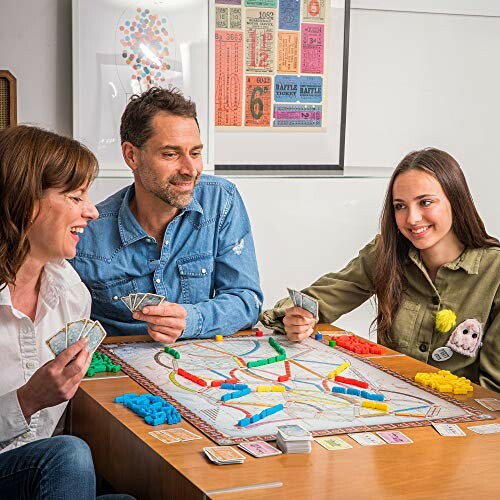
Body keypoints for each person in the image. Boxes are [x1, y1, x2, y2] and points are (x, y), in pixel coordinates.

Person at [260, 148, 499, 392]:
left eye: (425, 202)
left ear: (455, 201)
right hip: (390, 404)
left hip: (468, 420)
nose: (412, 219)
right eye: (400, 206)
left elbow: (492, 391)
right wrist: (295, 317)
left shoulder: (495, 272)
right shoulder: (386, 252)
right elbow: (323, 298)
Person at [70, 87, 262, 341]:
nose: (190, 169)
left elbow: (246, 299)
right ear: (132, 156)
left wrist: (190, 319)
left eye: (195, 153)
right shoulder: (87, 230)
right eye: (171, 154)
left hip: (199, 370)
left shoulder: (221, 200)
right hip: (117, 375)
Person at [0, 125, 121, 499]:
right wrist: (27, 400)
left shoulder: (72, 295)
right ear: (27, 202)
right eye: (75, 196)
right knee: (67, 457)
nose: (93, 212)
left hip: (33, 480)